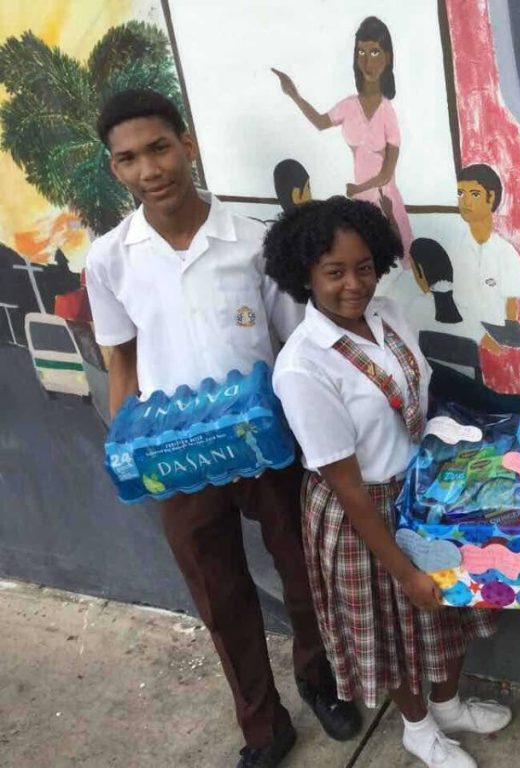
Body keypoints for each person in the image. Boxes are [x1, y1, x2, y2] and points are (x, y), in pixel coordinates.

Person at [84, 89, 361, 768]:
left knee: (304, 575)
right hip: (175, 456)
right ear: (115, 169)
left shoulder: (253, 240)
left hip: (267, 443)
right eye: (129, 159)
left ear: (187, 144)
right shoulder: (110, 258)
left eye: (159, 147)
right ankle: (264, 726)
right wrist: (127, 444)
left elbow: (294, 345)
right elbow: (119, 359)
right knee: (220, 595)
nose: (150, 169)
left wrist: (312, 440)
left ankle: (319, 679)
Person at [264, 196, 511, 768]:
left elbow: (410, 395)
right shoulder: (304, 366)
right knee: (397, 625)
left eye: (365, 267)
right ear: (305, 274)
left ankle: (447, 704)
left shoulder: (389, 313)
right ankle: (417, 726)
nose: (355, 284)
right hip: (364, 512)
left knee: (442, 612)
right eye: (334, 272)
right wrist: (403, 570)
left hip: (420, 491)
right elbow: (347, 486)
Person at [273, 16, 413, 261]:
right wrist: (294, 95)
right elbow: (319, 122)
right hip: (359, 201)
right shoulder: (349, 106)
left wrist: (358, 188)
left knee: (398, 259)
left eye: (375, 52)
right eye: (361, 51)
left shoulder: (387, 111)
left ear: (387, 57)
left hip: (383, 198)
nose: (367, 61)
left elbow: (386, 174)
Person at [451, 163, 520, 352]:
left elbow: (511, 312)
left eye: (474, 194)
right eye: (461, 193)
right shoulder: (454, 249)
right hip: (456, 338)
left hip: (496, 346)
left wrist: (499, 346)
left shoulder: (506, 253)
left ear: (491, 197)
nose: (465, 202)